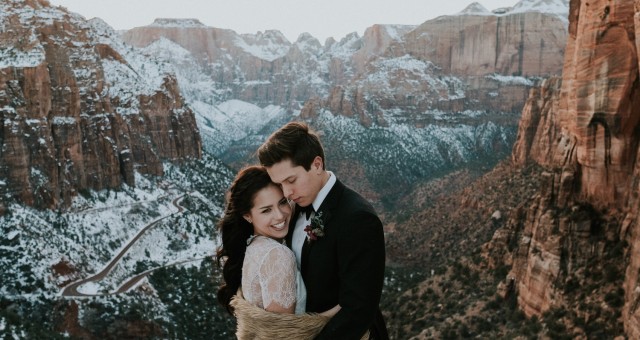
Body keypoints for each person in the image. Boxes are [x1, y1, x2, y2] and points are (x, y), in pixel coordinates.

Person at [257, 122, 389, 339]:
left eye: (291, 180)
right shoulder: (293, 208)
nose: (287, 192)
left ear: (317, 164)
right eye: (280, 184)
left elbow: (358, 309)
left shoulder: (358, 218)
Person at [216, 166, 342, 339]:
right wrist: (342, 307)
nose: (280, 216)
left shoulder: (253, 246)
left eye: (283, 202)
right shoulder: (277, 255)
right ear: (247, 216)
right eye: (266, 210)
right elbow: (282, 334)